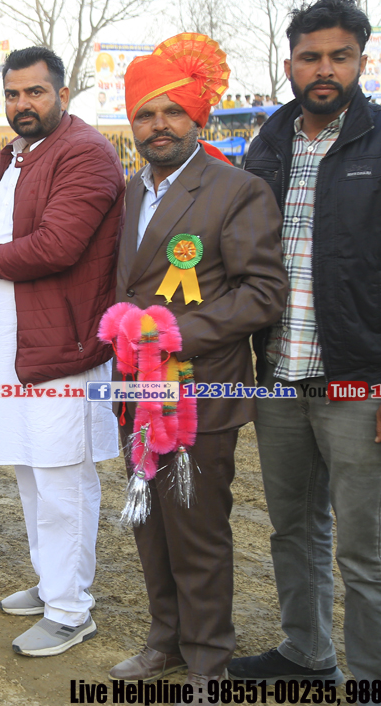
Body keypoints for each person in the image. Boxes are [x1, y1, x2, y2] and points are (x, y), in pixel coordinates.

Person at [232, 0, 381, 685]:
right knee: (293, 531)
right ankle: (306, 653)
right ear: (289, 64)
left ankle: (380, 686)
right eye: (310, 57)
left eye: (339, 56)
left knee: (365, 550)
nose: (324, 69)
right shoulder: (268, 144)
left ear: (361, 61)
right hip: (279, 378)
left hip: (360, 382)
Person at [108, 34, 288, 686]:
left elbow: (263, 293)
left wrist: (170, 332)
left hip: (198, 391)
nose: (159, 125)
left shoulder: (237, 190)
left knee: (198, 529)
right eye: (145, 114)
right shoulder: (132, 191)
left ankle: (209, 660)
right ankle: (167, 641)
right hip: (135, 390)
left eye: (172, 111)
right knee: (150, 522)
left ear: (197, 117)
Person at [0, 46, 125, 657]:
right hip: (15, 343)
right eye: (13, 94)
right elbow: (9, 243)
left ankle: (71, 611)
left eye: (35, 92)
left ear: (62, 95)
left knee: (63, 479)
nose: (23, 104)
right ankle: (52, 586)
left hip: (64, 345)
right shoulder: (15, 153)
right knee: (31, 471)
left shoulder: (85, 152)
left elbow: (58, 244)